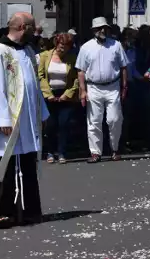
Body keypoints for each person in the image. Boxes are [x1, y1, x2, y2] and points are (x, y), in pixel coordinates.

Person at [0, 13, 49, 229]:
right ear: (22, 26)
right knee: (0, 165)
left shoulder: (27, 50)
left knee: (25, 162)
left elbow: (33, 85)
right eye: (32, 27)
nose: (35, 32)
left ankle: (25, 211)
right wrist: (1, 119)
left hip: (25, 121)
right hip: (6, 122)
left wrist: (40, 114)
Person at [76, 17, 129, 163]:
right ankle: (95, 152)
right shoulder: (86, 47)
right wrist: (82, 90)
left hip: (113, 86)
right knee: (94, 121)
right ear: (94, 30)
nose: (103, 30)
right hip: (93, 87)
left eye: (105, 28)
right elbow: (81, 70)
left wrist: (124, 86)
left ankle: (114, 148)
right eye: (99, 28)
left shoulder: (116, 45)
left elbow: (124, 66)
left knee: (115, 119)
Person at [38, 33, 79, 164]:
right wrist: (48, 94)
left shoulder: (72, 58)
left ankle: (62, 152)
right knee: (50, 125)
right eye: (61, 46)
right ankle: (50, 151)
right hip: (49, 94)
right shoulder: (45, 56)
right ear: (56, 44)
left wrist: (68, 94)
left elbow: (77, 78)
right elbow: (41, 76)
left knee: (64, 124)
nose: (63, 49)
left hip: (65, 95)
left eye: (66, 47)